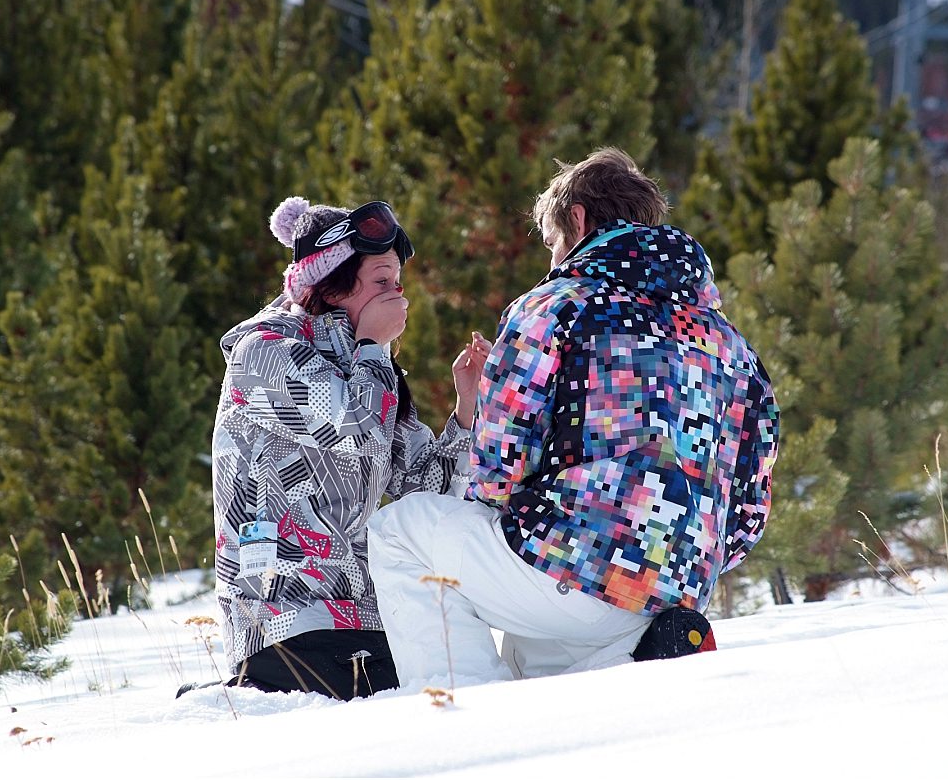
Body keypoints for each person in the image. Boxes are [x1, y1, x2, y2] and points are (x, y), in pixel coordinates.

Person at [368, 148, 779, 686]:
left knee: (401, 530)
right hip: (680, 590)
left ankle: (463, 724)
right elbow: (749, 507)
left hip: (576, 568)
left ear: (579, 219)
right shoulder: (731, 344)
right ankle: (626, 658)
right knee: (540, 663)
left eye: (553, 241)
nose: (552, 259)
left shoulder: (557, 305)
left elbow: (497, 469)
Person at [207, 196, 489, 700]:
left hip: (369, 615)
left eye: (397, 282)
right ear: (332, 285)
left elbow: (425, 486)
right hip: (283, 627)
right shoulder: (265, 353)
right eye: (381, 282)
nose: (396, 296)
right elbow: (355, 432)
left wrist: (466, 411)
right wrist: (375, 348)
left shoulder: (366, 364)